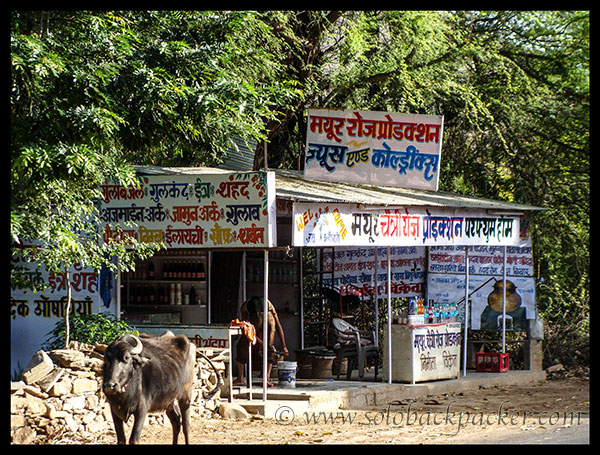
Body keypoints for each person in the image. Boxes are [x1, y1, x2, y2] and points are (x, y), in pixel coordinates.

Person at [234, 296, 288, 387]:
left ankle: (240, 378)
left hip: (256, 317)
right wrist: (284, 346)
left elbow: (247, 328)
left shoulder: (244, 306)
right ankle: (266, 379)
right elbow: (278, 325)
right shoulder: (269, 304)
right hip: (270, 317)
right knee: (270, 348)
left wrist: (261, 342)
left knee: (241, 346)